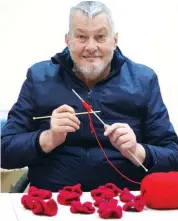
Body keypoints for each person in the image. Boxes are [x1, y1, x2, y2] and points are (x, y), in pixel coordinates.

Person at [1, 1, 178, 192]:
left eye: (100, 37)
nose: (91, 46)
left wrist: (137, 151)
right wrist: (48, 139)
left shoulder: (144, 80)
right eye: (81, 37)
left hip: (124, 202)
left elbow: (173, 156)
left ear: (114, 40)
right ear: (68, 40)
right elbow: (5, 151)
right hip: (51, 200)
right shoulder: (39, 77)